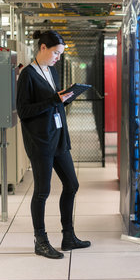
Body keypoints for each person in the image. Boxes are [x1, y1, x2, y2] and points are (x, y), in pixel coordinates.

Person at [16, 30, 91, 259]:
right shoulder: (28, 75)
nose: (58, 57)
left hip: (58, 137)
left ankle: (68, 236)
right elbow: (24, 111)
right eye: (56, 53)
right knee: (42, 191)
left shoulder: (52, 71)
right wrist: (54, 99)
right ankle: (41, 241)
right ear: (43, 48)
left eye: (60, 54)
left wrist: (66, 97)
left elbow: (53, 103)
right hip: (40, 142)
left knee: (71, 185)